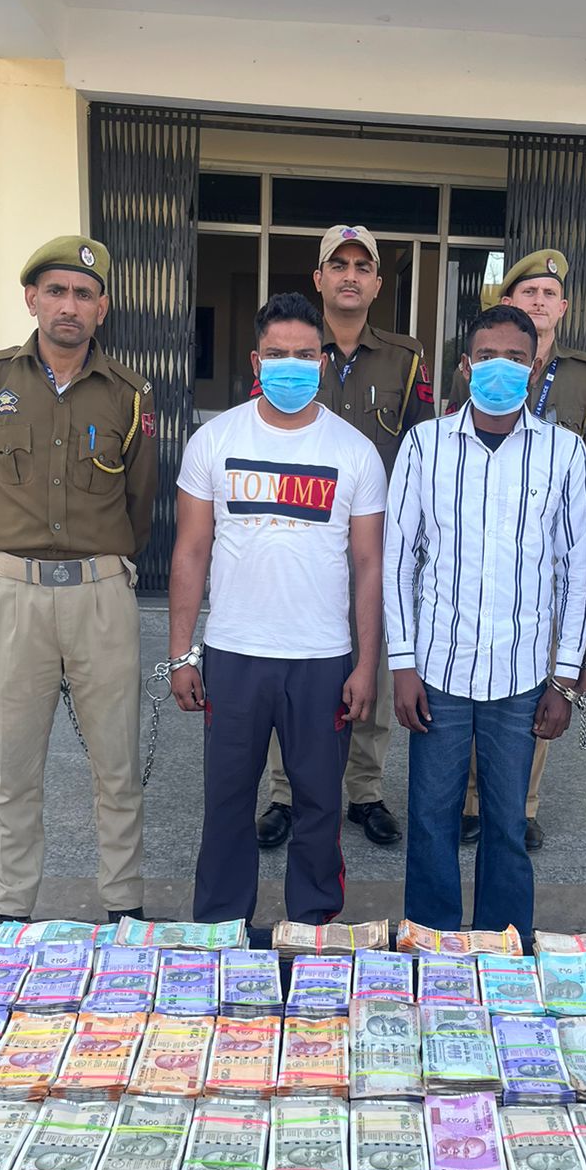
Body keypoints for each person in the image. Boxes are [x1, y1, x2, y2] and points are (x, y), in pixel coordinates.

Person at [168, 291, 387, 926]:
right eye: (277, 354)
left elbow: (370, 564)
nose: (291, 366)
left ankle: (313, 929)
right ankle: (220, 928)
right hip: (234, 654)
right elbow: (190, 551)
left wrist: (365, 664)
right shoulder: (215, 440)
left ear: (323, 361)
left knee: (320, 807)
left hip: (321, 660)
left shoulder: (354, 451)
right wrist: (181, 654)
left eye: (304, 355)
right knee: (226, 803)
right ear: (255, 361)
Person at [0, 234, 157, 925]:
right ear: (32, 299)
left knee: (117, 769)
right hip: (17, 598)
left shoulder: (129, 393)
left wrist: (104, 567)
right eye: (56, 291)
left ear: (102, 308)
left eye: (83, 294)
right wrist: (11, 562)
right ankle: (12, 910)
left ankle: (123, 907)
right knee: (13, 771)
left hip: (101, 597)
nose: (68, 305)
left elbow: (139, 502)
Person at [385, 304, 586, 940]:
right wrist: (402, 663)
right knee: (432, 820)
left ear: (534, 367)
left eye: (514, 358)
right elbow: (399, 558)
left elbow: (577, 570)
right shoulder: (425, 445)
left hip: (522, 676)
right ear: (465, 365)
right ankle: (433, 943)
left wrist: (563, 680)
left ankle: (504, 949)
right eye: (486, 356)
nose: (499, 368)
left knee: (506, 824)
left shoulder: (564, 452)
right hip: (439, 671)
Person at [256, 224, 432, 851]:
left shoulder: (406, 360)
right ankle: (285, 792)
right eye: (339, 265)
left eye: (362, 266)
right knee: (292, 665)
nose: (350, 276)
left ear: (378, 283)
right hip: (300, 538)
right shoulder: (291, 350)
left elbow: (421, 451)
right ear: (319, 277)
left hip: (374, 542)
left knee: (370, 665)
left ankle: (364, 789)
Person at [447, 249, 586, 851]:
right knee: (474, 673)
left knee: (536, 684)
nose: (539, 302)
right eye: (528, 293)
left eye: (548, 294)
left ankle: (523, 802)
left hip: (545, 556)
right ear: (508, 302)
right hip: (482, 550)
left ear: (563, 307)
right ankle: (471, 799)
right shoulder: (478, 362)